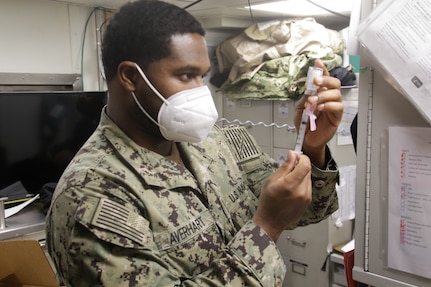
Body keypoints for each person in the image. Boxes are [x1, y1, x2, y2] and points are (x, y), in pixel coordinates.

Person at [45, 1, 343, 286]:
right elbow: (274, 218)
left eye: (202, 77)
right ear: (130, 77)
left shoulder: (217, 139)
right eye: (186, 76)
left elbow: (302, 209)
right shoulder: (91, 196)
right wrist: (266, 227)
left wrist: (311, 148)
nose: (201, 93)